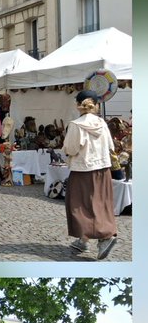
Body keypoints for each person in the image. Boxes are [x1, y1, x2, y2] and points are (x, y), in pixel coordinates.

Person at [63, 90, 118, 260]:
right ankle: (83, 239)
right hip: (103, 169)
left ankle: (104, 238)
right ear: (95, 104)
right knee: (100, 204)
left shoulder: (76, 124)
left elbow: (71, 149)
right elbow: (111, 146)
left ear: (78, 105)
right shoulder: (102, 123)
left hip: (83, 170)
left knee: (78, 205)